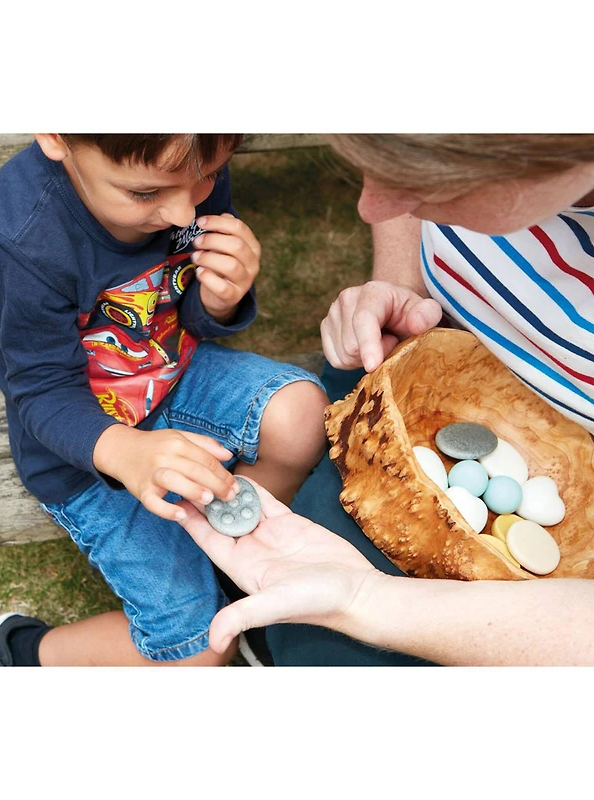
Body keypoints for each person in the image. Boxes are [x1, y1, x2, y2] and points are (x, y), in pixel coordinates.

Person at [178, 134, 594, 666]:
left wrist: (368, 600)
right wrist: (400, 284)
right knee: (301, 623)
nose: (368, 206)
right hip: (415, 382)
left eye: (435, 178)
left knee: (324, 653)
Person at [0, 134, 328, 666]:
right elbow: (41, 391)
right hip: (84, 448)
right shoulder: (20, 238)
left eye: (207, 177)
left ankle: (233, 566)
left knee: (301, 416)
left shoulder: (186, 154)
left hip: (176, 375)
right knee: (201, 651)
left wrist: (218, 300)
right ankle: (21, 654)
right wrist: (126, 452)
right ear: (57, 136)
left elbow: (185, 308)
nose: (184, 212)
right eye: (145, 193)